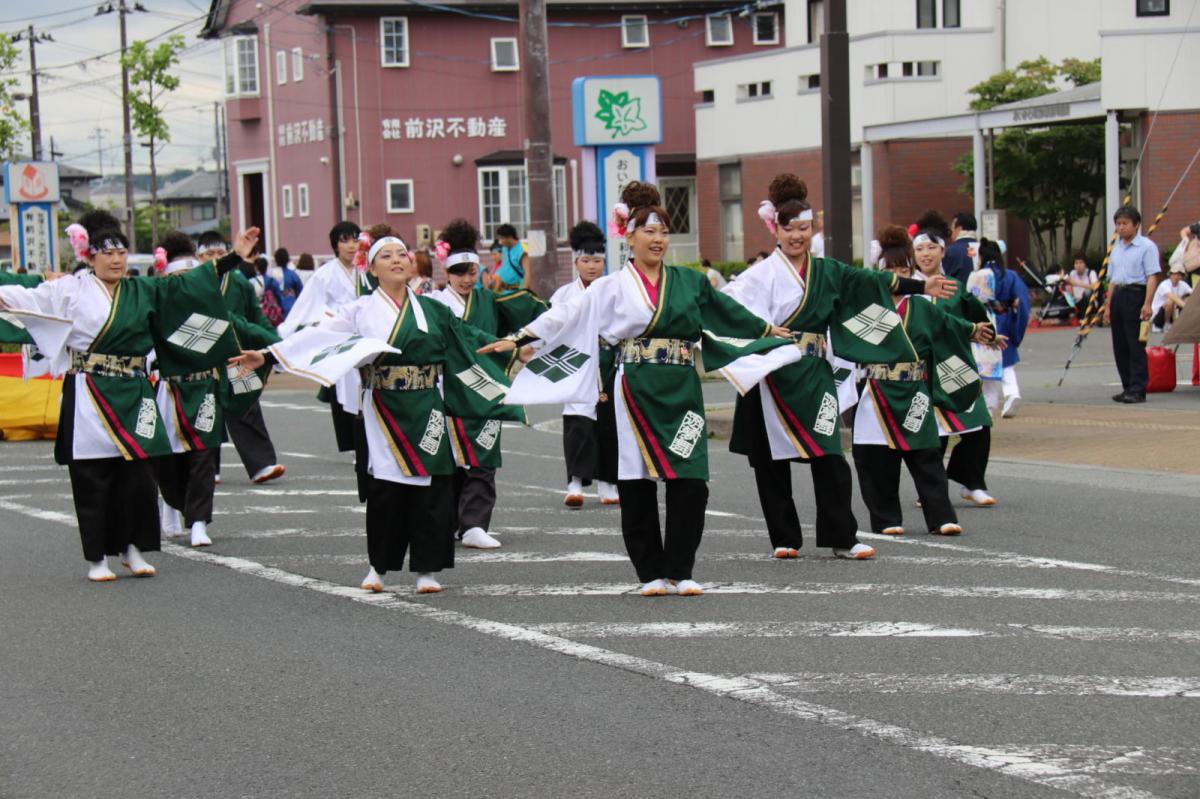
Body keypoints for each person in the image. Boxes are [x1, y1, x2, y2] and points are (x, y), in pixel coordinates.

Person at [486, 181, 796, 597]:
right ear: (629, 238)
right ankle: (650, 571)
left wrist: (765, 330)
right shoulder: (611, 286)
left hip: (682, 387)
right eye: (649, 231)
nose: (658, 239)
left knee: (691, 478)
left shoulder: (689, 282)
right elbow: (565, 314)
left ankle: (681, 569)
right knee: (636, 479)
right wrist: (518, 338)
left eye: (664, 232)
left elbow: (726, 313)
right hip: (634, 386)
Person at [230, 227, 522, 594]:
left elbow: (469, 339)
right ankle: (378, 567)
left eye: (402, 254)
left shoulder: (432, 309)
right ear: (371, 269)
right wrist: (269, 354)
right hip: (383, 407)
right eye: (386, 256)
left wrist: (513, 345)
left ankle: (427, 570)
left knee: (431, 488)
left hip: (428, 406)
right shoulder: (359, 310)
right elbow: (317, 337)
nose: (397, 260)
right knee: (386, 489)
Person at [0, 210, 257, 581]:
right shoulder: (69, 289)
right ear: (89, 256)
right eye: (107, 253)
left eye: (121, 252)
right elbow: (23, 298)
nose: (117, 259)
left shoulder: (142, 289)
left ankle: (134, 549)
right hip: (90, 390)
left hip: (135, 391)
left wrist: (233, 257)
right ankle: (97, 559)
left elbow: (185, 287)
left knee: (138, 476)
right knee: (93, 476)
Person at [721, 179, 960, 561]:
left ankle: (842, 537)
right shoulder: (759, 275)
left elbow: (872, 280)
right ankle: (784, 537)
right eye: (789, 228)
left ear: (812, 229)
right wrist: (762, 330)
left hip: (813, 373)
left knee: (831, 455)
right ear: (775, 229)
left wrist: (920, 286)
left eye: (804, 228)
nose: (797, 236)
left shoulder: (828, 271)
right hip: (770, 373)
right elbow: (727, 308)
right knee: (769, 462)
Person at [851, 225, 997, 537]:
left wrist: (974, 330)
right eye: (891, 272)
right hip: (877, 393)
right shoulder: (868, 308)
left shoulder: (919, 305)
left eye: (905, 271)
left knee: (926, 454)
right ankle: (886, 518)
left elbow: (947, 324)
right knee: (877, 459)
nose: (899, 278)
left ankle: (941, 516)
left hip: (914, 389)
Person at [153, 231, 279, 547]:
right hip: (170, 391)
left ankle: (198, 522)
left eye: (190, 278)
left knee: (203, 457)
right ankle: (170, 505)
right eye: (178, 278)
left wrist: (279, 349)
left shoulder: (213, 304)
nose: (185, 284)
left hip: (204, 390)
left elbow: (244, 328)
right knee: (168, 460)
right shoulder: (155, 304)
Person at [429, 219, 547, 549]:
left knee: (483, 457)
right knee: (450, 461)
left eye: (471, 272)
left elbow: (523, 315)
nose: (467, 279)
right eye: (459, 273)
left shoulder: (487, 300)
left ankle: (474, 525)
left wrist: (523, 343)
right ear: (446, 272)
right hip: (449, 388)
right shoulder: (435, 304)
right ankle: (452, 521)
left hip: (483, 388)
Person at [912, 211, 998, 507]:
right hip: (922, 371)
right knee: (933, 434)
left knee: (979, 425)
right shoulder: (907, 290)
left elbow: (978, 320)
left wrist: (989, 336)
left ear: (942, 251)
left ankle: (972, 483)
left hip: (956, 367)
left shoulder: (955, 288)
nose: (925, 254)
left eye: (931, 247)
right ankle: (931, 490)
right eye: (919, 249)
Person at [276, 221, 374, 461]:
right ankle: (356, 444)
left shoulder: (367, 271)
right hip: (340, 338)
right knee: (348, 392)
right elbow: (308, 304)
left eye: (354, 240)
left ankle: (370, 441)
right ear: (335, 245)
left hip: (366, 336)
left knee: (370, 390)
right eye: (344, 241)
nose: (350, 246)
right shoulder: (325, 274)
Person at [197, 231, 287, 485]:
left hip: (236, 355)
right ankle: (209, 467)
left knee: (246, 404)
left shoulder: (239, 282)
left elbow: (256, 316)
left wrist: (275, 345)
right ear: (199, 257)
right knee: (205, 409)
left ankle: (262, 464)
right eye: (209, 254)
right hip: (201, 357)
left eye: (220, 253)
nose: (215, 258)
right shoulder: (192, 282)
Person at [550, 220, 619, 507]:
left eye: (597, 261)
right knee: (578, 423)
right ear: (576, 262)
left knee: (609, 424)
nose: (592, 266)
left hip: (608, 363)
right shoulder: (564, 295)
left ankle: (608, 483)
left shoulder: (614, 289)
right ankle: (575, 482)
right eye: (586, 261)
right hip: (577, 363)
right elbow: (552, 327)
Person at [1104, 205, 1162, 404]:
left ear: (1136, 225)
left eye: (1125, 223)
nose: (1121, 227)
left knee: (1135, 344)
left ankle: (1138, 389)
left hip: (1136, 294)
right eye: (1118, 224)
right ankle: (1127, 386)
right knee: (1119, 344)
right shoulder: (1116, 248)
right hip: (1118, 295)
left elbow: (1152, 276)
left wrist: (1147, 303)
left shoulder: (1146, 246)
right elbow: (1112, 280)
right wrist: (1108, 306)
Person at [980, 239, 1029, 419]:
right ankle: (1012, 393)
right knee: (1006, 363)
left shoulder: (979, 275)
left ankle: (989, 405)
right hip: (1005, 320)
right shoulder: (1010, 275)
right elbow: (1022, 302)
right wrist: (1016, 319)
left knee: (987, 366)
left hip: (985, 322)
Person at [1151, 263, 1191, 331]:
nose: (1176, 276)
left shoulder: (1183, 285)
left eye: (1179, 274)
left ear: (1182, 276)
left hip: (1173, 313)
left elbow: (1194, 293)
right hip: (1158, 315)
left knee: (1188, 299)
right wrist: (1188, 307)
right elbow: (1173, 298)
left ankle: (1178, 325)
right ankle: (1165, 325)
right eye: (1174, 274)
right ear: (1170, 275)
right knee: (1170, 301)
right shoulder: (1164, 284)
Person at [942, 212, 978, 284]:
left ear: (959, 229)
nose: (951, 232)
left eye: (952, 228)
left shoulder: (950, 251)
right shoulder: (986, 249)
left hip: (960, 290)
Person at [492, 223, 527, 291]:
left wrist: (524, 293)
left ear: (510, 237)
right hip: (504, 290)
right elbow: (504, 267)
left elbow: (527, 273)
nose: (501, 242)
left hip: (516, 290)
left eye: (502, 238)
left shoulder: (522, 250)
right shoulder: (505, 249)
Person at [1065, 252, 1099, 320]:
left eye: (1081, 263)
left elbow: (1095, 286)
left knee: (1087, 292)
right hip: (1076, 303)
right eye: (1076, 263)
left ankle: (1084, 317)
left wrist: (1077, 283)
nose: (1078, 265)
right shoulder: (1072, 273)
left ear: (1085, 264)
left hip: (1089, 303)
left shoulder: (1091, 273)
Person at [271, 247, 304, 316]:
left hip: (274, 310)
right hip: (291, 307)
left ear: (276, 260)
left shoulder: (271, 275)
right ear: (287, 259)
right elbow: (300, 292)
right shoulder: (292, 275)